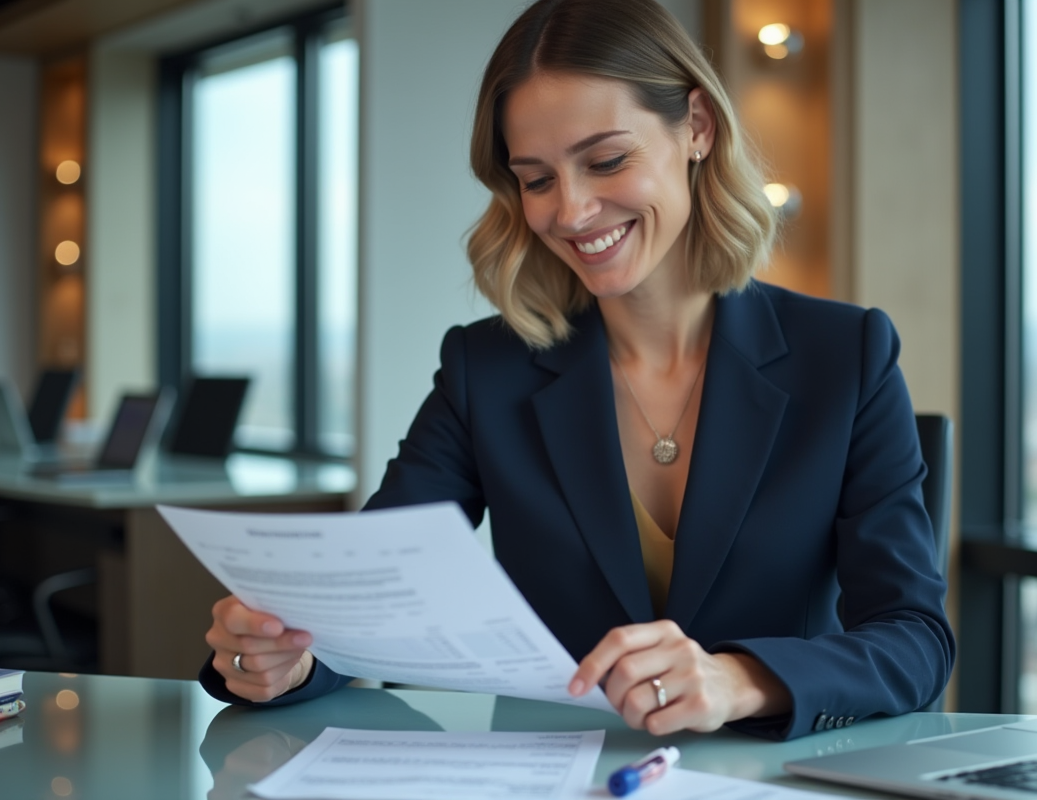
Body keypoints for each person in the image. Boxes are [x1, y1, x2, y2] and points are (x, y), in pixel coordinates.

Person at [200, 0, 955, 741]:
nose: (572, 211)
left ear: (696, 127)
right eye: (535, 179)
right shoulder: (485, 370)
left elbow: (915, 640)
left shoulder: (846, 355)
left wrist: (735, 679)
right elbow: (367, 600)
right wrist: (282, 658)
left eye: (606, 160)